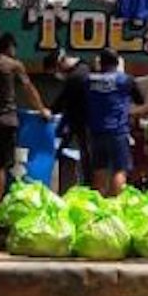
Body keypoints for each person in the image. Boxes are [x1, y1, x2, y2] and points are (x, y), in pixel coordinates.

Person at [0, 33, 49, 218]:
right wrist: (42, 110)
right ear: (10, 48)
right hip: (6, 122)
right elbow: (29, 89)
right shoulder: (14, 66)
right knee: (0, 167)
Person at [84, 47, 144, 197]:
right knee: (119, 169)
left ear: (100, 63)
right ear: (118, 63)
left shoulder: (89, 80)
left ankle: (98, 204)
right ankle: (115, 203)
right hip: (118, 131)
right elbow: (140, 100)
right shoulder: (125, 80)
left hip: (96, 131)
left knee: (99, 169)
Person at [52, 51, 92, 192]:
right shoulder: (85, 69)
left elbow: (63, 102)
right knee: (86, 156)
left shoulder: (75, 77)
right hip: (86, 122)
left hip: (82, 122)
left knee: (86, 157)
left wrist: (51, 114)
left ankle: (87, 186)